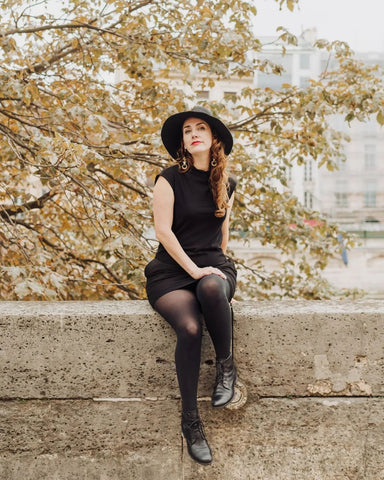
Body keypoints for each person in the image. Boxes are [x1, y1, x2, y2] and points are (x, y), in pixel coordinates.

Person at [144, 105, 237, 465]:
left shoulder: (226, 183)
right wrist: (193, 270)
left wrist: (208, 270)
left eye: (201, 128)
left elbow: (222, 235)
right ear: (182, 142)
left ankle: (226, 367)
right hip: (170, 271)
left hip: (212, 266)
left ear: (213, 139)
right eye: (187, 130)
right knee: (190, 327)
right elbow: (162, 232)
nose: (194, 133)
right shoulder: (168, 179)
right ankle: (191, 422)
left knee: (213, 288)